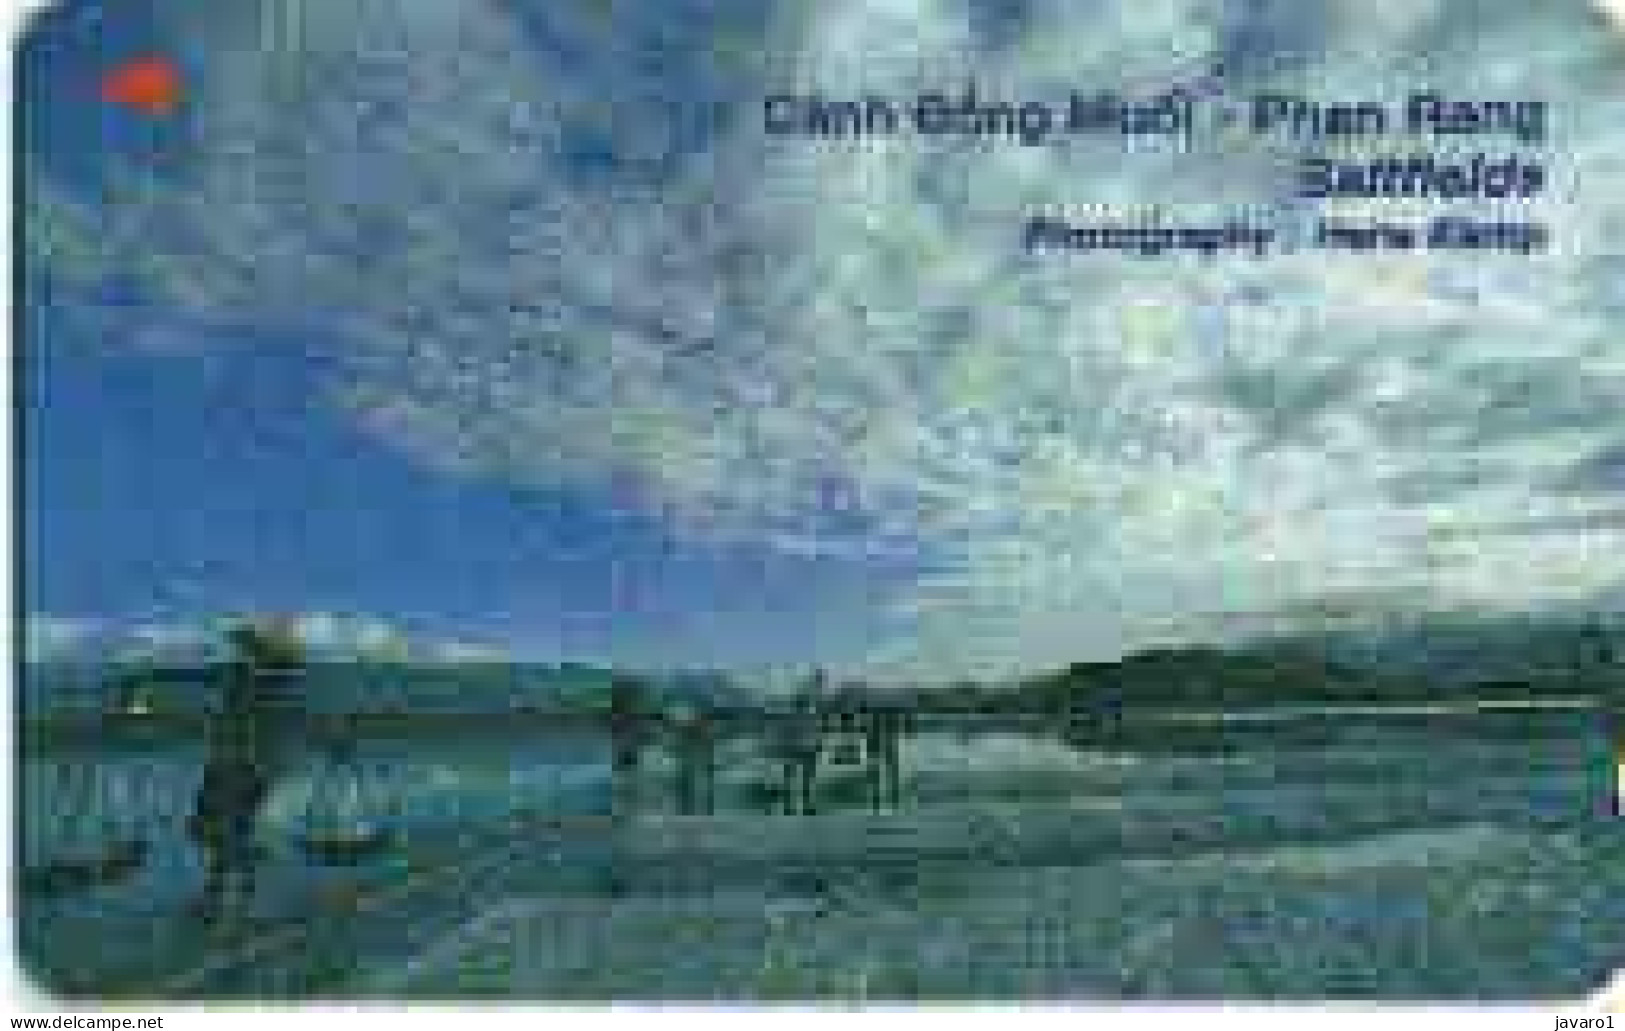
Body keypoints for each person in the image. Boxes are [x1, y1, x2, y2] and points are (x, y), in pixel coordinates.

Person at [187, 616, 307, 923]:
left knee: (223, 831)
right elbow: (196, 676)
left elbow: (282, 721)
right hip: (234, 763)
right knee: (220, 831)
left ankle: (233, 891)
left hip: (245, 766)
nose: (246, 652)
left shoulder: (272, 680)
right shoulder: (246, 674)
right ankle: (223, 893)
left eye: (253, 648)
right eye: (249, 647)